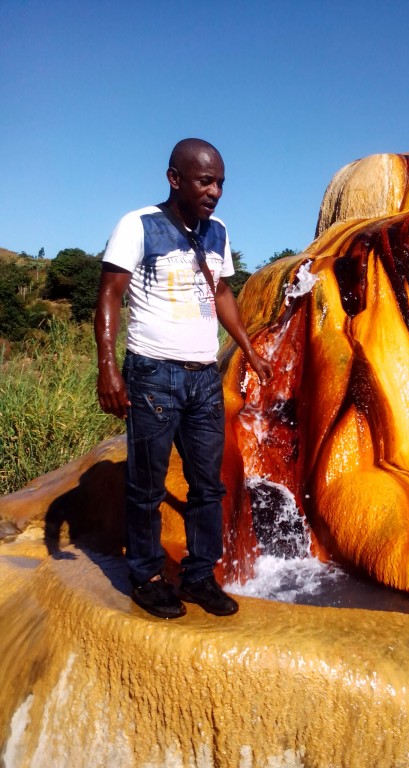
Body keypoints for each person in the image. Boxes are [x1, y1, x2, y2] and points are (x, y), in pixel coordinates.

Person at [94, 138, 273, 620]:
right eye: (204, 181)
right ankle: (148, 577)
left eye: (219, 182)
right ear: (175, 179)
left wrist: (250, 349)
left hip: (202, 376)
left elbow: (221, 293)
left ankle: (198, 576)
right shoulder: (138, 226)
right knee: (147, 485)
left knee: (207, 486)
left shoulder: (217, 233)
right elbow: (110, 295)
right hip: (153, 372)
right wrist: (108, 366)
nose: (214, 191)